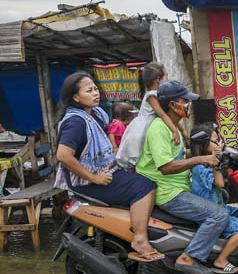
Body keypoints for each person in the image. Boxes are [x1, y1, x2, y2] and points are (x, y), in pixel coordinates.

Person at [54, 72, 163, 262]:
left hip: (105, 170)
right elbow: (63, 156)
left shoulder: (96, 114)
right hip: (85, 180)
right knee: (145, 186)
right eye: (89, 90)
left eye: (95, 88)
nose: (95, 93)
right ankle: (140, 239)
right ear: (76, 97)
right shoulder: (76, 122)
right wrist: (93, 178)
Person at [135, 80, 228, 274]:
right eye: (185, 100)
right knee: (218, 215)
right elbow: (166, 166)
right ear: (172, 105)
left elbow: (178, 156)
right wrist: (201, 158)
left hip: (181, 187)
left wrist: (208, 155)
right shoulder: (159, 129)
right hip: (169, 193)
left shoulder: (173, 127)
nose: (188, 105)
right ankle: (188, 258)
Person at [189, 124, 238, 273]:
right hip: (211, 211)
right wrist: (216, 162)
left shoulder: (206, 161)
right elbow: (220, 183)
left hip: (219, 205)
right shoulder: (201, 165)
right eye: (215, 141)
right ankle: (221, 260)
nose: (219, 143)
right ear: (204, 144)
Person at [116, 62, 189, 168]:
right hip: (143, 127)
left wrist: (182, 130)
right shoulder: (151, 95)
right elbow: (163, 114)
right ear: (158, 79)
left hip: (151, 123)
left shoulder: (160, 94)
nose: (168, 80)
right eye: (166, 77)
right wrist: (175, 130)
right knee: (138, 152)